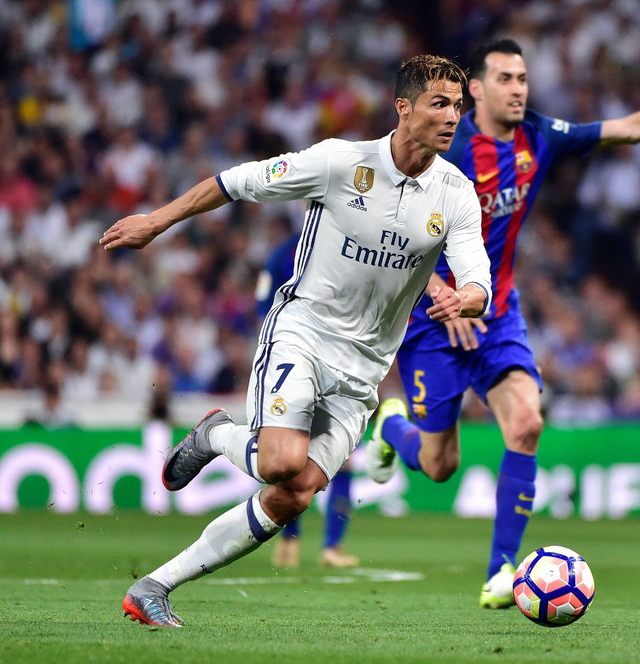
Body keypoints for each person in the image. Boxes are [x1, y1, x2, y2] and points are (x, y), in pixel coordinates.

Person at [102, 54, 492, 627]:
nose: (452, 116)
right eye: (439, 103)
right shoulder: (338, 162)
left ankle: (154, 587)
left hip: (364, 370)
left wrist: (469, 297)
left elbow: (475, 272)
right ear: (403, 108)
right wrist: (156, 222)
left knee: (296, 492)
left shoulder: (455, 193)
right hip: (303, 333)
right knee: (280, 462)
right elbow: (232, 183)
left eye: (458, 106)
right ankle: (220, 436)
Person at [366, 39, 640, 609]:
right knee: (438, 465)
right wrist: (443, 291)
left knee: (526, 422)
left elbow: (630, 128)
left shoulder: (539, 136)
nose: (518, 87)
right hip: (432, 318)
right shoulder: (444, 150)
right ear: (475, 89)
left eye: (522, 77)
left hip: (496, 313)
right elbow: (391, 225)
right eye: (504, 78)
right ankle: (391, 428)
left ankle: (502, 571)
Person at [255, 232, 359, 568]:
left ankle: (315, 546)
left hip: (335, 361)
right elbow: (263, 307)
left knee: (335, 459)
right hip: (300, 360)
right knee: (295, 456)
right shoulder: (284, 254)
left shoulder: (348, 241)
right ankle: (299, 542)